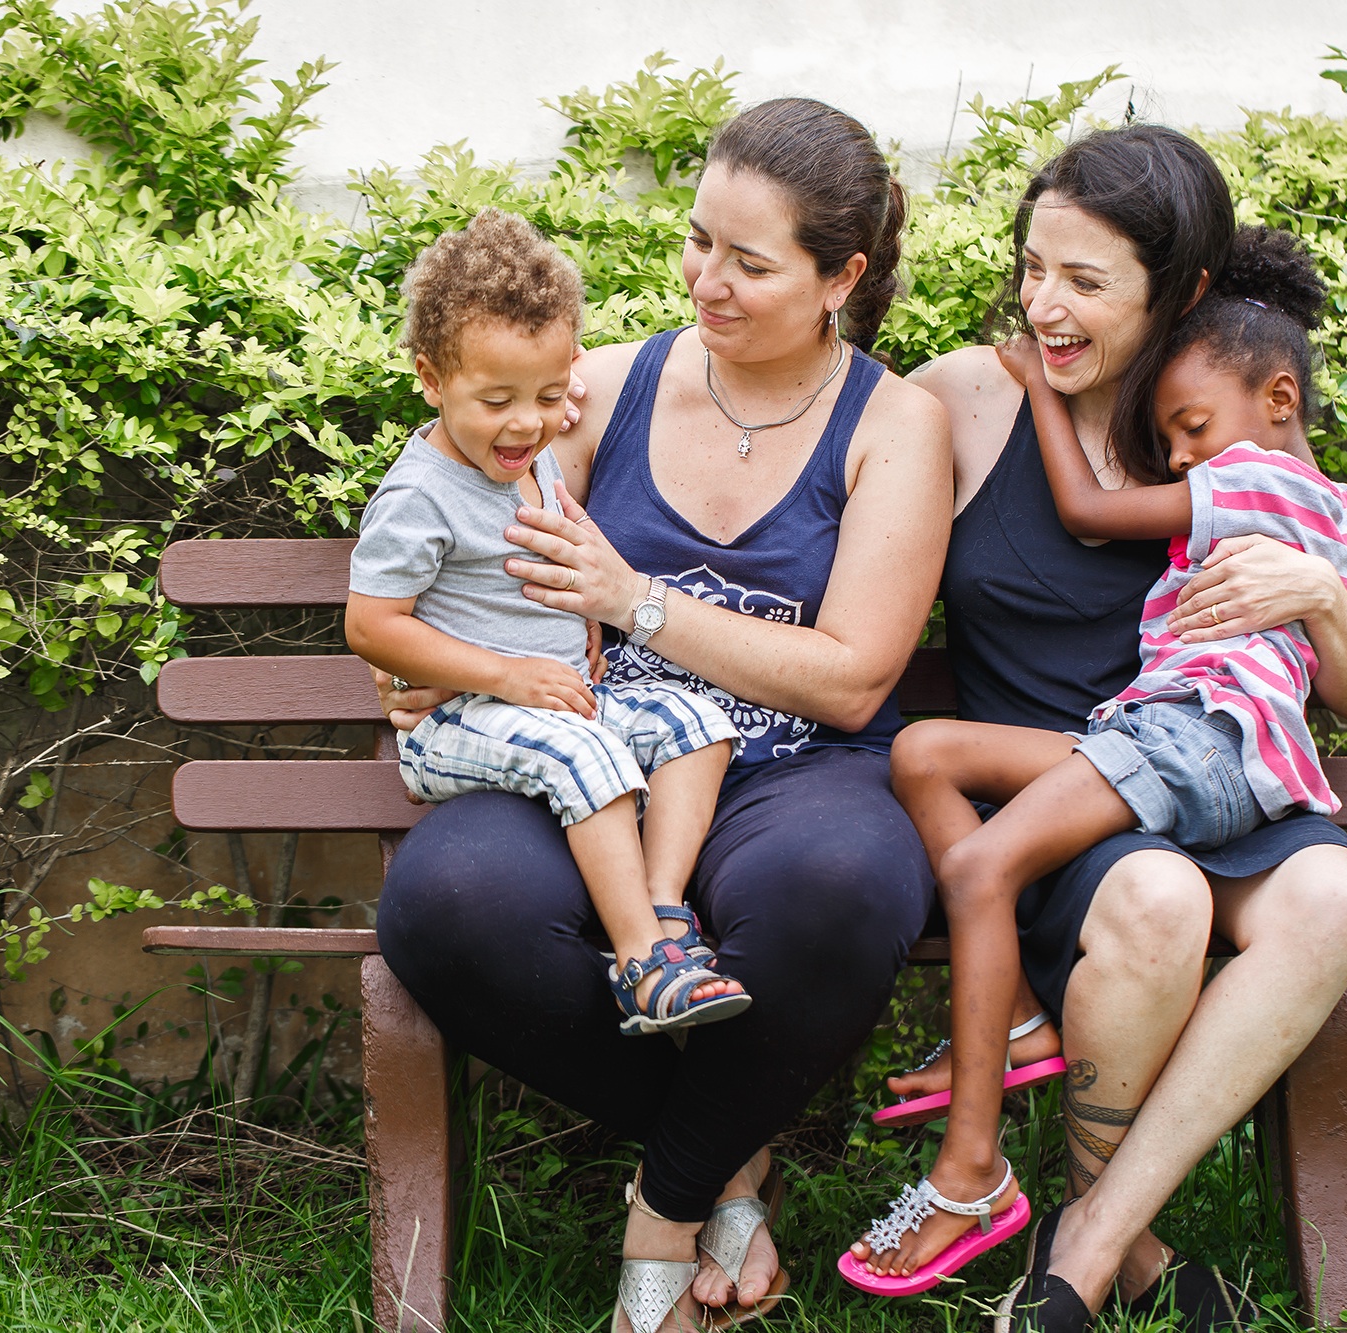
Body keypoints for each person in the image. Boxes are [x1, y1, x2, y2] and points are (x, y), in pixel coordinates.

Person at [363, 100, 951, 1333]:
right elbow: (476, 560)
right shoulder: (601, 387)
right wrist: (435, 665)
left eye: (750, 262)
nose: (707, 281)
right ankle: (727, 1162)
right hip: (601, 761)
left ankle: (661, 1214)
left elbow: (850, 675)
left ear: (840, 275)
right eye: (698, 243)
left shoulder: (894, 425)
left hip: (799, 768)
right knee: (449, 903)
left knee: (842, 888)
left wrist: (636, 600)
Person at [905, 125, 1347, 1331]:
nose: (1043, 308)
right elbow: (814, 471)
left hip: (1217, 771)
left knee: (1337, 899)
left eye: (1082, 282)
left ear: (1176, 293)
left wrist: (1319, 596)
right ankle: (1118, 1253)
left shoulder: (1222, 419)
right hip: (1069, 797)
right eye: (1032, 270)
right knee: (1156, 896)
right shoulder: (970, 394)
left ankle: (1078, 1252)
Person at [345, 210, 750, 1039]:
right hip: (458, 718)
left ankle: (666, 915)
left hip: (552, 697)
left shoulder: (532, 449)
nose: (526, 423)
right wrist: (507, 674)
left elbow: (537, 520)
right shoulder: (421, 494)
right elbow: (371, 625)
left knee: (695, 720)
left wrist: (575, 634)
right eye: (496, 400)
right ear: (430, 378)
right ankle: (639, 962)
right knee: (588, 750)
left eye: (548, 395)